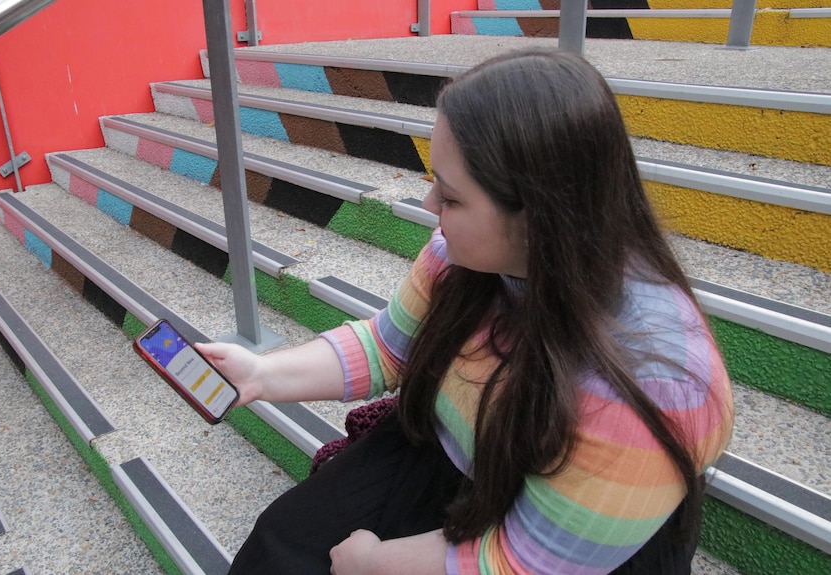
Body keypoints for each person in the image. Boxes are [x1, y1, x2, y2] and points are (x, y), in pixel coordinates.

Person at [196, 48, 734, 575]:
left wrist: (373, 563)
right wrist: (261, 375)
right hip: (448, 463)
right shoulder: (461, 258)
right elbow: (387, 347)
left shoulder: (656, 384)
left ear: (538, 217)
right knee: (280, 544)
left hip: (561, 549)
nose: (430, 207)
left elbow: (519, 563)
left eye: (452, 198)